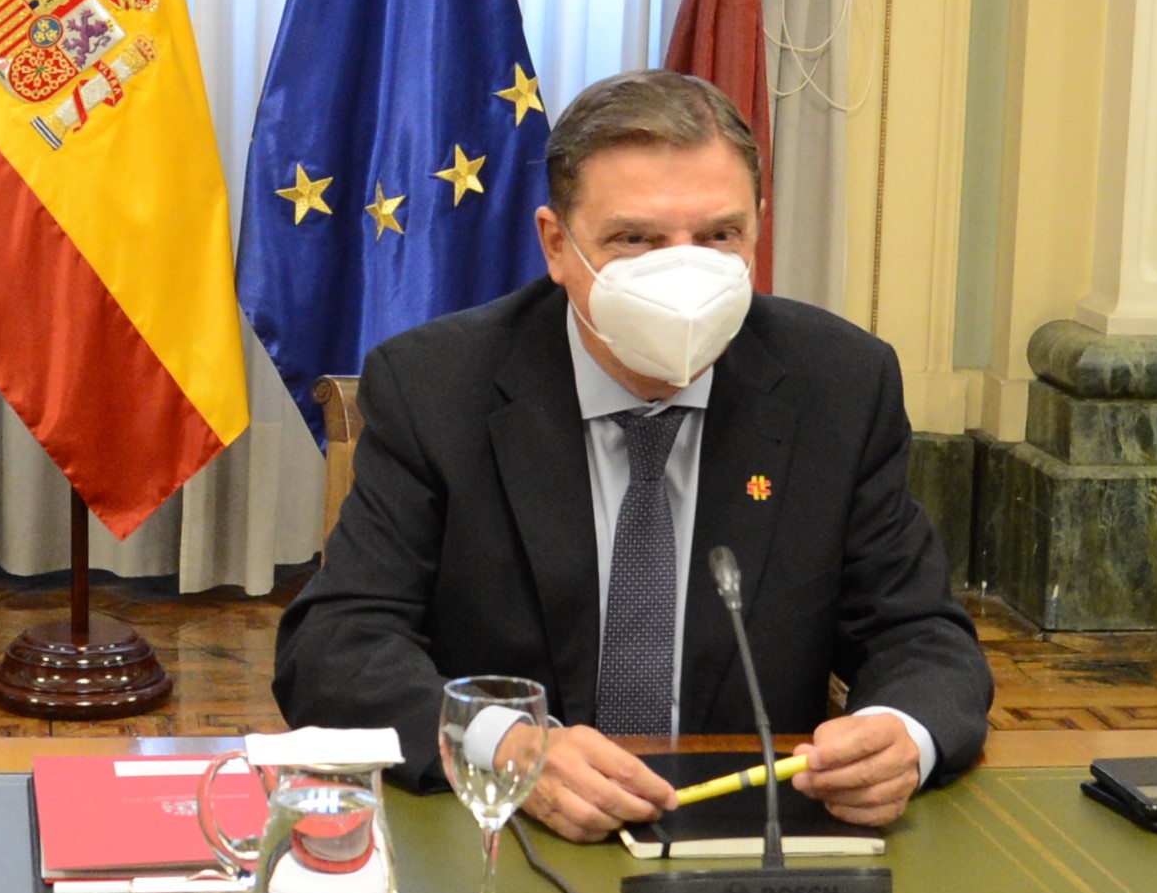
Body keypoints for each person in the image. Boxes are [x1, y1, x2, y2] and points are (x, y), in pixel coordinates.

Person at [273, 68, 994, 839]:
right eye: (634, 239)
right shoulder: (435, 386)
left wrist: (900, 733)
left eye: (718, 236)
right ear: (556, 244)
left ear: (757, 230)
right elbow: (335, 647)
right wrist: (505, 746)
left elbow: (921, 639)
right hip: (506, 837)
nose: (682, 273)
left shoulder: (838, 384)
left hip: (747, 834)